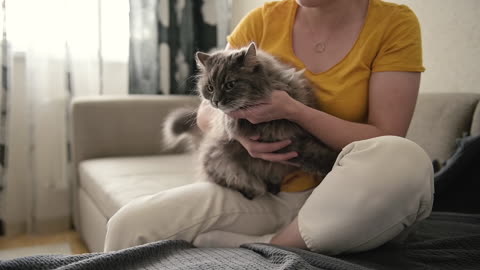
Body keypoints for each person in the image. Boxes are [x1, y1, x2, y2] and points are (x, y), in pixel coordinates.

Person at [104, 0, 434, 255]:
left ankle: (274, 244)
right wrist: (238, 131)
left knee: (405, 159)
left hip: (346, 194)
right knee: (129, 225)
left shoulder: (393, 23)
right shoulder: (263, 20)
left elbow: (385, 137)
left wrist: (295, 111)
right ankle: (278, 240)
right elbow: (208, 111)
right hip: (265, 192)